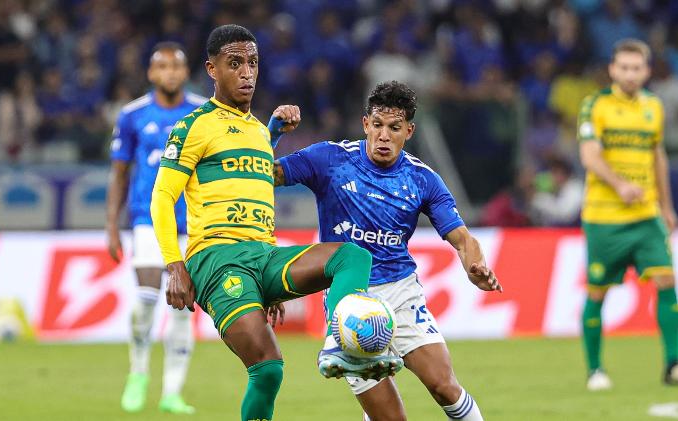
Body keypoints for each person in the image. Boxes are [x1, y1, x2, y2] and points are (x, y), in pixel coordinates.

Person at [150, 24, 403, 421]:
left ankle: (341, 343)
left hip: (262, 255)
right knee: (268, 367)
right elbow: (162, 197)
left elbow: (252, 185)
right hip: (217, 260)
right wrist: (174, 264)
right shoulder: (192, 126)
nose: (247, 72)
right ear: (212, 69)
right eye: (235, 64)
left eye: (252, 62)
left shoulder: (254, 130)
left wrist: (272, 134)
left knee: (352, 257)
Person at [273, 81, 500, 420]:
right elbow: (264, 174)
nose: (383, 135)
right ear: (365, 123)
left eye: (394, 128)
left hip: (401, 292)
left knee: (443, 386)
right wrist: (272, 134)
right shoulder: (330, 159)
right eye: (377, 125)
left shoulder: (422, 179)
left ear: (408, 131)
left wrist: (474, 264)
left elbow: (463, 238)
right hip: (348, 301)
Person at [105, 42, 205, 414]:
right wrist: (111, 227)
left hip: (191, 223)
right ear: (151, 73)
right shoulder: (132, 115)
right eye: (162, 66)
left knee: (181, 309)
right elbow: (119, 173)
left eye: (176, 66)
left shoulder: (200, 113)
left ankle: (172, 392)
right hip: (147, 219)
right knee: (146, 300)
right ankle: (138, 373)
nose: (170, 73)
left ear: (185, 71)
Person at [577, 38, 678, 390]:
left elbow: (658, 157)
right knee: (598, 292)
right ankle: (595, 370)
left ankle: (673, 365)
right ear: (612, 69)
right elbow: (590, 156)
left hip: (647, 214)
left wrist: (666, 206)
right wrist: (620, 185)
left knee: (667, 281)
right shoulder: (595, 106)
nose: (631, 74)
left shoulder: (653, 106)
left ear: (647, 71)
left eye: (637, 68)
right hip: (605, 219)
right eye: (624, 67)